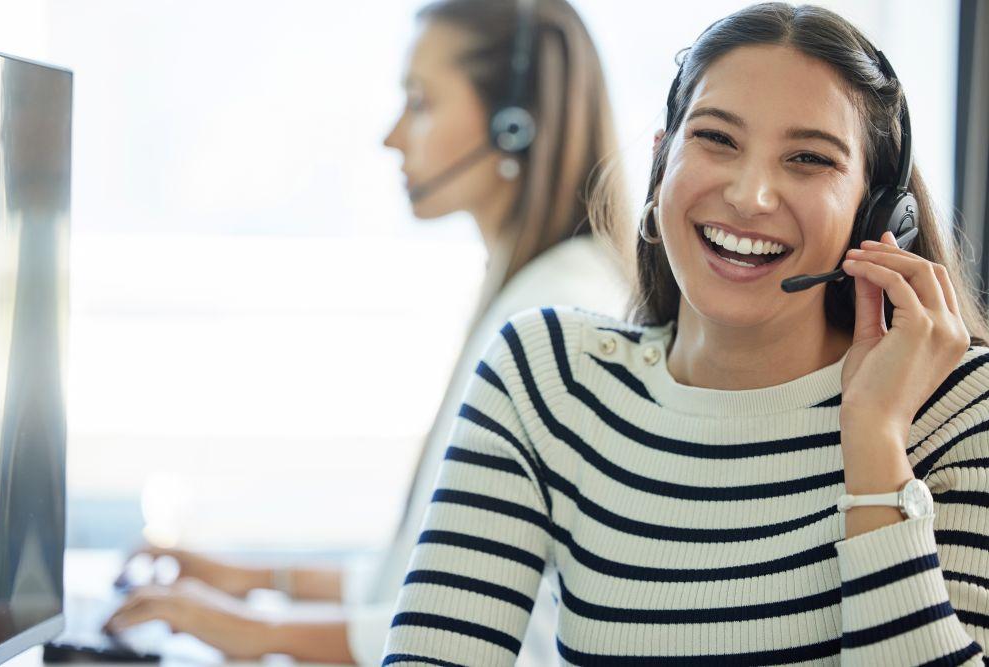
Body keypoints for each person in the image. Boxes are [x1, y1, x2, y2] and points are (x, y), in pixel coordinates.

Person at [381, 3, 989, 664]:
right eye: (717, 138)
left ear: (879, 215)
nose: (751, 195)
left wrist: (875, 441)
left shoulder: (955, 406)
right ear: (662, 161)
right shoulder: (548, 378)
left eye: (809, 158)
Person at [104, 0, 630, 664]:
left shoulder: (561, 315)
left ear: (513, 125)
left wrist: (264, 632)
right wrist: (253, 580)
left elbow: (511, 627)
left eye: (420, 102)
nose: (392, 137)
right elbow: (439, 575)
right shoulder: (530, 290)